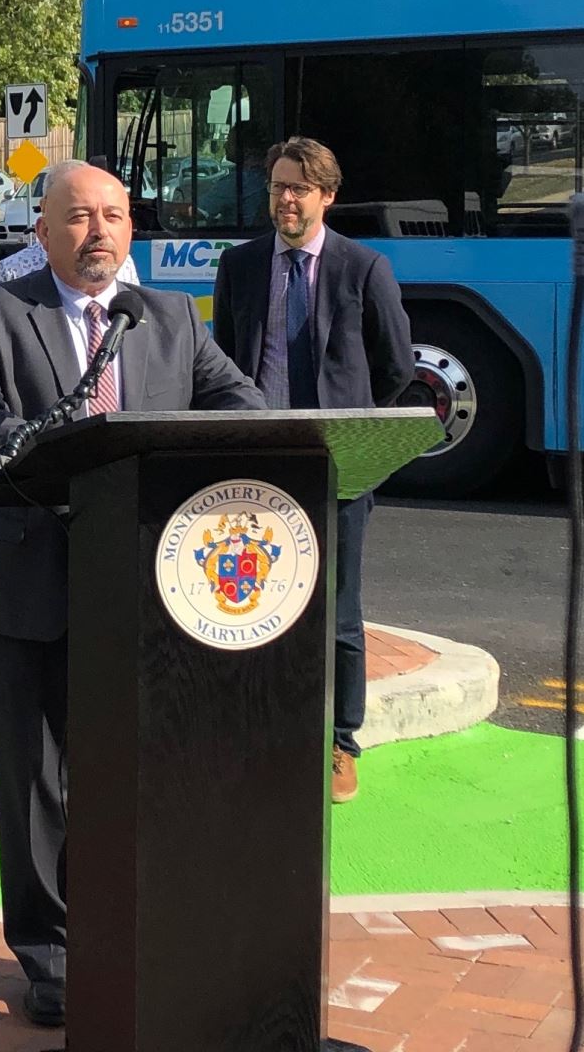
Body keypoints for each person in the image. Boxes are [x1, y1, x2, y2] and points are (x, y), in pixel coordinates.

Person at [0, 160, 263, 1029]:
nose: (98, 233)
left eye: (113, 216)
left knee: (141, 772)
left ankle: (140, 932)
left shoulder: (168, 317)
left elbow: (238, 400)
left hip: (150, 583)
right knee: (35, 781)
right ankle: (50, 954)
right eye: (79, 217)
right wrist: (51, 443)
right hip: (27, 580)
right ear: (42, 231)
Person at [212, 136, 413, 804]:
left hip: (339, 466)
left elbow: (395, 368)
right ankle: (257, 727)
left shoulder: (364, 268)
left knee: (338, 610)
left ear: (327, 195)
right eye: (277, 187)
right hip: (260, 461)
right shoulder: (240, 266)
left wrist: (352, 429)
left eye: (298, 188)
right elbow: (223, 360)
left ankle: (340, 741)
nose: (286, 200)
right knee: (253, 601)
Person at [0, 236, 140, 285]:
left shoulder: (123, 263)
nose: (100, 230)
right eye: (79, 216)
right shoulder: (11, 268)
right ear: (44, 228)